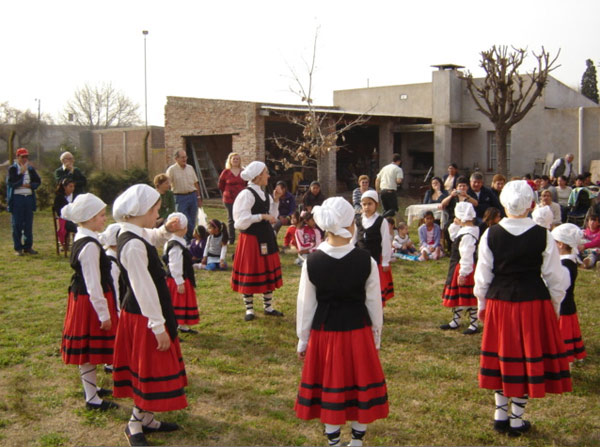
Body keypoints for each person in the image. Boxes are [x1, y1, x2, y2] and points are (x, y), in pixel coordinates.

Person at [474, 180, 571, 437]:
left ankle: (500, 414)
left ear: (503, 203)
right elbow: (554, 277)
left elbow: (482, 277)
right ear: (530, 204)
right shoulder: (543, 235)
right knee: (526, 358)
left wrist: (482, 305)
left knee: (503, 356)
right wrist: (555, 306)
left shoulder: (490, 234)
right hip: (532, 302)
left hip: (500, 302)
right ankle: (515, 419)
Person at [295, 197, 388, 447]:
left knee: (330, 385)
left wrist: (303, 340)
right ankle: (356, 441)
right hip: (358, 332)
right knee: (360, 384)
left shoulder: (311, 262)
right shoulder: (366, 260)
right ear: (349, 226)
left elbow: (306, 306)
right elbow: (373, 304)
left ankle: (334, 442)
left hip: (324, 333)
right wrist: (376, 336)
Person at [112, 184, 187, 446]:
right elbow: (143, 288)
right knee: (149, 368)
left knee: (152, 368)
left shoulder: (135, 231)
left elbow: (152, 237)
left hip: (150, 312)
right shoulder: (131, 245)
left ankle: (146, 418)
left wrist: (166, 229)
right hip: (144, 315)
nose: (159, 212)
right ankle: (135, 423)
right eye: (156, 208)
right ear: (141, 210)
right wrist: (157, 325)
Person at [60, 193, 119, 411]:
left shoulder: (84, 236)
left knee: (89, 350)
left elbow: (104, 237)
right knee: (88, 349)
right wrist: (104, 314)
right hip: (90, 303)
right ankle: (91, 398)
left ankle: (91, 389)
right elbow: (94, 284)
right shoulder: (90, 247)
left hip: (84, 299)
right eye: (102, 215)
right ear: (90, 218)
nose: (105, 219)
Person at [231, 161, 284, 321]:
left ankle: (268, 307)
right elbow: (239, 222)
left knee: (266, 272)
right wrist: (260, 216)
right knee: (250, 272)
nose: (268, 175)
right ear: (258, 175)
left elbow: (272, 217)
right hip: (251, 239)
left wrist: (275, 200)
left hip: (266, 238)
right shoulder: (246, 195)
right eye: (266, 172)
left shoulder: (265, 194)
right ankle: (249, 309)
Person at [440, 202, 480, 334]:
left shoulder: (468, 235)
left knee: (469, 297)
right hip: (458, 265)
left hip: (465, 267)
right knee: (459, 296)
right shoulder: (464, 230)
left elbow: (467, 255)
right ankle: (455, 320)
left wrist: (463, 273)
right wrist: (456, 224)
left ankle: (474, 323)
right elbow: (453, 236)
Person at [551, 224, 587, 363]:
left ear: (560, 244)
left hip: (563, 307)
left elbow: (560, 287)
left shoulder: (564, 264)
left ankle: (565, 360)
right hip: (567, 305)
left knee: (563, 336)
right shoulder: (569, 261)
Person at [354, 190, 394, 305]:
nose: (367, 207)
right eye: (364, 204)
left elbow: (386, 241)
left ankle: (377, 309)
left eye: (370, 204)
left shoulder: (381, 221)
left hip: (375, 259)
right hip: (361, 259)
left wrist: (386, 261)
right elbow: (354, 239)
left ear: (376, 204)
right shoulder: (358, 220)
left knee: (375, 284)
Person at [163, 212, 200, 334]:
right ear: (184, 228)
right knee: (177, 303)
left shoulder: (178, 241)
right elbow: (174, 264)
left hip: (183, 277)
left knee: (184, 302)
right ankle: (172, 327)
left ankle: (182, 325)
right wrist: (179, 281)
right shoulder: (175, 245)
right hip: (177, 279)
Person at [7, 147, 41, 256]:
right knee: (17, 224)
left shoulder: (30, 169)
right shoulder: (12, 169)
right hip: (18, 198)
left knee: (28, 224)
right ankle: (18, 248)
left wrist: (30, 185)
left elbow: (37, 181)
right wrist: (21, 174)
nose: (25, 159)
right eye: (23, 157)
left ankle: (28, 246)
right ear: (17, 157)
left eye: (26, 156)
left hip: (28, 198)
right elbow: (12, 183)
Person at [166, 149, 203, 242]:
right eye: (182, 157)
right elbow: (168, 185)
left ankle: (188, 239)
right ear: (176, 159)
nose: (184, 159)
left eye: (185, 157)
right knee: (185, 220)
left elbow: (195, 183)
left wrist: (198, 197)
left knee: (193, 219)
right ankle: (189, 238)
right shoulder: (171, 170)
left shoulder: (190, 168)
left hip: (192, 196)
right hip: (179, 197)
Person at [218, 152, 246, 243]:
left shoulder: (243, 172)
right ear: (230, 160)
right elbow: (220, 185)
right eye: (233, 159)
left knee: (242, 217)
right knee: (231, 218)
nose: (235, 160)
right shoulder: (226, 172)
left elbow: (246, 184)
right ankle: (231, 238)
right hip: (229, 198)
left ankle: (243, 236)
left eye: (237, 159)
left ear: (240, 160)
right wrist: (227, 192)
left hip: (241, 198)